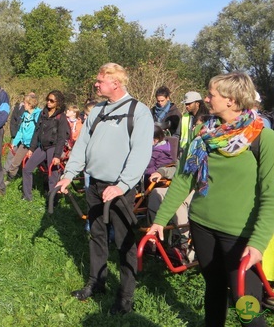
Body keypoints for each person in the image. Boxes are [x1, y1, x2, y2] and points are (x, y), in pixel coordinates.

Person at [148, 72, 274, 327]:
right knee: (213, 288)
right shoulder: (204, 134)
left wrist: (258, 243)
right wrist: (159, 220)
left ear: (230, 100)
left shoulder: (263, 138)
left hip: (240, 235)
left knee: (244, 301)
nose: (206, 98)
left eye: (211, 94)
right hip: (202, 226)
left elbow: (271, 194)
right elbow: (184, 179)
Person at [56, 63, 153, 315]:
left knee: (124, 242)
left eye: (100, 81)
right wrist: (69, 175)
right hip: (95, 186)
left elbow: (141, 153)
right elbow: (82, 145)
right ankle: (96, 282)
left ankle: (125, 298)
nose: (96, 85)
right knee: (96, 235)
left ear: (116, 83)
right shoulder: (97, 110)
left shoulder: (139, 112)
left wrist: (121, 186)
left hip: (120, 190)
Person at [21, 90, 70, 202]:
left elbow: (61, 137)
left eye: (51, 101)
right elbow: (37, 132)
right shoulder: (43, 113)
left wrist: (57, 155)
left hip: (53, 147)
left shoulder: (61, 117)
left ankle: (53, 200)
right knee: (27, 169)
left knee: (52, 174)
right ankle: (27, 196)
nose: (48, 102)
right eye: (47, 99)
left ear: (58, 103)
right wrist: (31, 149)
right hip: (42, 147)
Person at [4, 93, 41, 182]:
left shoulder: (38, 115)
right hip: (25, 144)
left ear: (30, 104)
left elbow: (39, 130)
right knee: (15, 162)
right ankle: (10, 179)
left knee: (40, 165)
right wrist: (14, 143)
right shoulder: (25, 115)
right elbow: (20, 131)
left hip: (35, 144)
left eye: (25, 103)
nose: (23, 104)